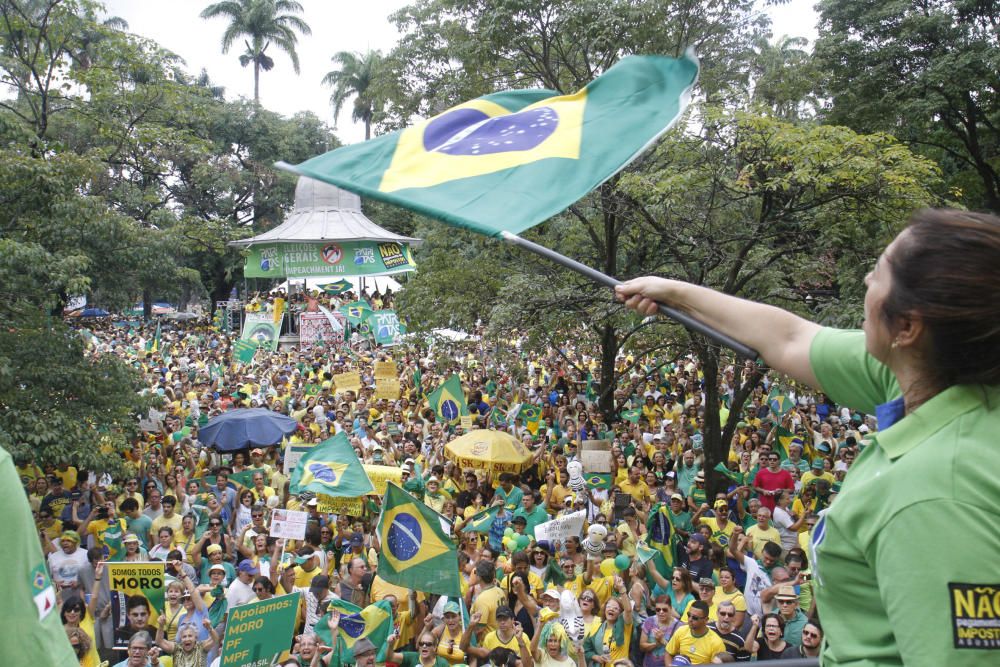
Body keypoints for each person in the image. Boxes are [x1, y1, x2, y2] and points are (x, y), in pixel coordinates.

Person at [617, 208, 1000, 665]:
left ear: (908, 327)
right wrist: (675, 293)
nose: (863, 280)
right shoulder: (920, 374)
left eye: (878, 272)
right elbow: (790, 338)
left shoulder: (936, 495)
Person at [663, 600, 726, 665]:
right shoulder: (681, 631)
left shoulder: (716, 643)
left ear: (706, 620)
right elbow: (668, 653)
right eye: (689, 615)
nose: (690, 619)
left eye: (695, 618)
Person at [638, 595, 680, 667]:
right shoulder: (649, 621)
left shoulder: (678, 626)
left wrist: (663, 641)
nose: (661, 612)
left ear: (670, 608)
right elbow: (642, 646)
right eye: (658, 609)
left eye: (664, 609)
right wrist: (656, 644)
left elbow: (679, 652)